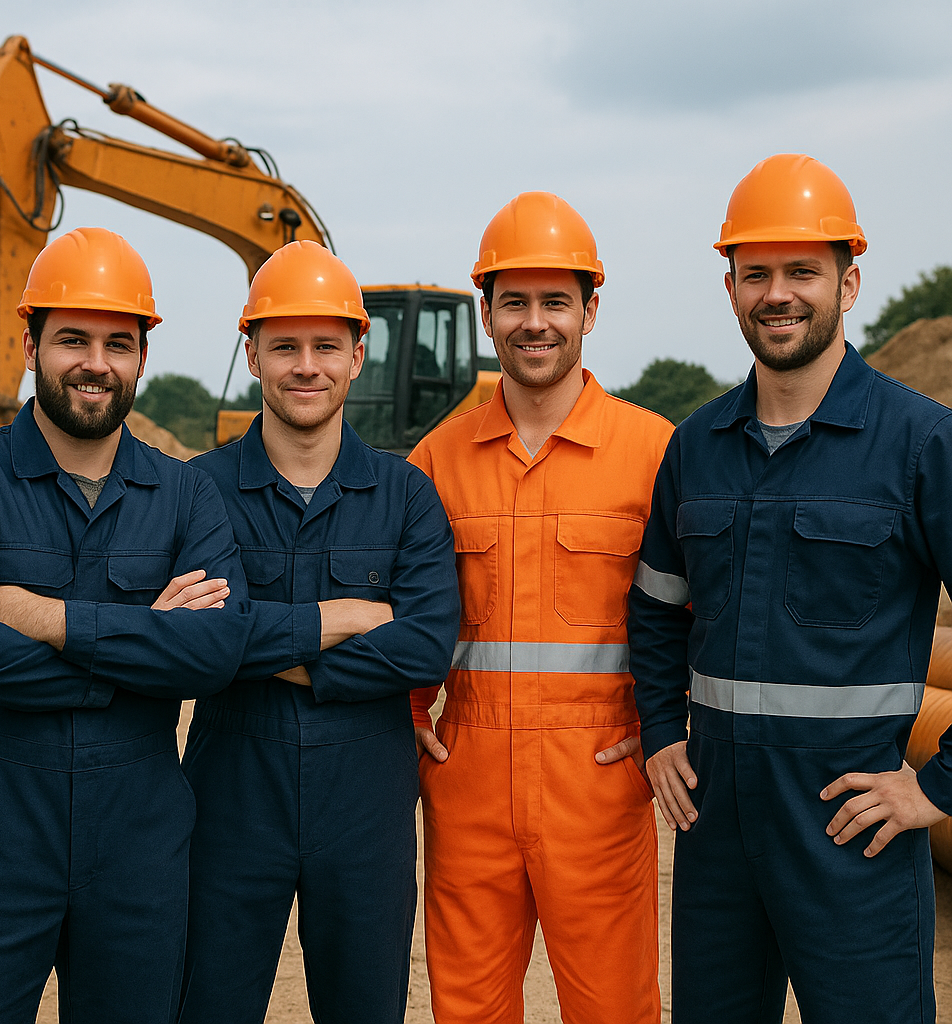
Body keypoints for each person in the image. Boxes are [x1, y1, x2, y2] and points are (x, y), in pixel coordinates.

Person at [629, 153, 952, 1024]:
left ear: (848, 283)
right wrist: (661, 728)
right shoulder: (695, 446)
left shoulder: (922, 444)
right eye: (756, 274)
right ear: (730, 288)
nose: (778, 294)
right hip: (718, 837)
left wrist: (937, 787)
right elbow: (656, 607)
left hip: (852, 836)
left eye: (802, 272)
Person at [0, 227, 251, 1024]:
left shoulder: (188, 497)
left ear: (143, 355)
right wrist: (146, 644)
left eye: (118, 342)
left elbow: (212, 654)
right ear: (31, 342)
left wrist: (41, 618)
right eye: (72, 339)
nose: (95, 363)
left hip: (138, 844)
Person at [177, 239, 460, 1024]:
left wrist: (252, 647)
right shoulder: (197, 493)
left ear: (358, 355)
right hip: (229, 799)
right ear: (253, 353)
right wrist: (341, 619)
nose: (308, 366)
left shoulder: (407, 496)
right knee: (206, 1006)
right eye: (286, 347)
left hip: (365, 804)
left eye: (326, 347)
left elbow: (424, 647)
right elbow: (193, 648)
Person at [408, 192, 674, 1024]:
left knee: (612, 1009)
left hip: (599, 784)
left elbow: (706, 612)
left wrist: (672, 721)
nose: (536, 322)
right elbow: (409, 610)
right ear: (486, 313)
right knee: (469, 1010)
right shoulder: (435, 461)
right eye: (514, 302)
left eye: (555, 301)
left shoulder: (653, 453)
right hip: (469, 786)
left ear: (590, 309)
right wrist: (410, 714)